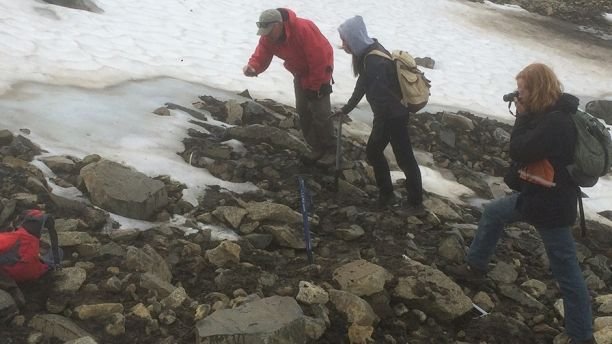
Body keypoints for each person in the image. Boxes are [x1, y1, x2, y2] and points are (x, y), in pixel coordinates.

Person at [452, 63, 593, 344]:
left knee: (566, 270)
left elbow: (519, 149)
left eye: (522, 90)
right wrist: (527, 115)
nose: (519, 95)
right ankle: (475, 267)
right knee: (493, 212)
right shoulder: (550, 114)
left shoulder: (556, 122)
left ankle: (582, 336)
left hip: (550, 207)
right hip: (535, 197)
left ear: (537, 89)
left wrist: (520, 116)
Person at [335, 15, 424, 213]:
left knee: (402, 158)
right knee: (381, 153)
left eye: (345, 40)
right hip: (392, 115)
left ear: (354, 38)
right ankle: (389, 195)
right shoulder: (370, 52)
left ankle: (414, 203)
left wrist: (380, 125)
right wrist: (347, 108)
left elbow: (382, 98)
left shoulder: (374, 61)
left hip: (392, 117)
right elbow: (363, 84)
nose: (343, 45)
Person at [243, 8, 336, 166]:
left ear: (278, 25)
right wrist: (253, 67)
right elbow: (262, 53)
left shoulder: (303, 29)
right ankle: (317, 147)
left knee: (320, 113)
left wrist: (315, 86)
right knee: (303, 110)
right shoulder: (269, 37)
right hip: (300, 74)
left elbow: (319, 58)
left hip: (320, 72)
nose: (266, 34)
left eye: (269, 30)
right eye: (264, 31)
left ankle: (332, 150)